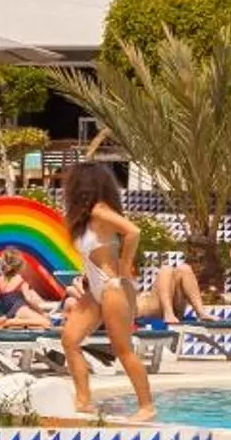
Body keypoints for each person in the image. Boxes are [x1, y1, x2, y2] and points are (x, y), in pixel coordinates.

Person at [58, 161, 157, 422]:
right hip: (95, 288)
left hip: (113, 287)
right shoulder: (85, 219)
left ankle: (147, 406)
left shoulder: (100, 210)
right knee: (70, 339)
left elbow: (133, 232)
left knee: (122, 349)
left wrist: (125, 265)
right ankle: (83, 400)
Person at [0, 252, 58, 329]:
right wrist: (42, 313)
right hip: (21, 310)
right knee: (47, 323)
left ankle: (10, 323)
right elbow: (29, 299)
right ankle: (8, 322)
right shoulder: (21, 279)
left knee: (40, 326)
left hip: (11, 312)